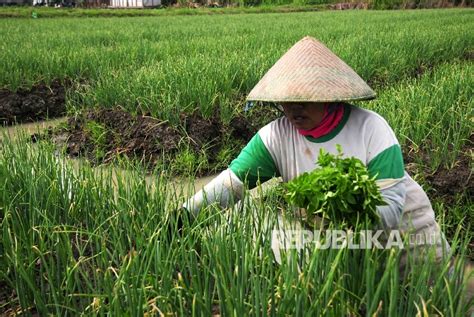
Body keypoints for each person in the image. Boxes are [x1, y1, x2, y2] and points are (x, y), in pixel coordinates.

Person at [182, 36, 450, 267]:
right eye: (288, 101)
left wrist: (336, 208)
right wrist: (180, 221)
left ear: (329, 96)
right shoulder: (276, 137)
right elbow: (230, 186)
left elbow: (390, 207)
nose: (294, 109)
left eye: (305, 100)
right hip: (343, 252)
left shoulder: (371, 129)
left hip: (410, 243)